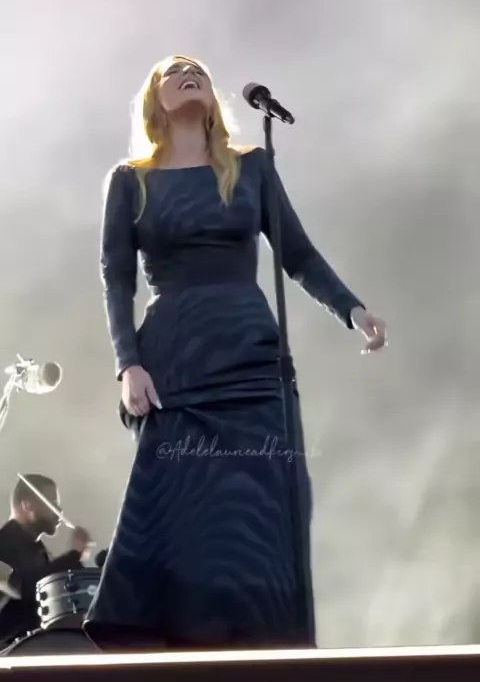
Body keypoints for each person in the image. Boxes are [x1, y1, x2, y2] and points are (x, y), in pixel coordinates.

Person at [84, 55, 386, 651]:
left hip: (252, 358)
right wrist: (127, 364)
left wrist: (353, 310)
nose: (188, 73)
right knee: (184, 512)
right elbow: (116, 280)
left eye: (196, 69)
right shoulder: (129, 180)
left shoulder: (251, 168)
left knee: (263, 508)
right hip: (175, 362)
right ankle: (183, 658)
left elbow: (298, 256)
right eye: (173, 71)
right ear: (154, 99)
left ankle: (266, 658)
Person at [0, 474, 91, 646]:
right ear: (27, 505)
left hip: (31, 650)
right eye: (53, 503)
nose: (59, 510)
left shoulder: (39, 551)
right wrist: (73, 556)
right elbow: (25, 587)